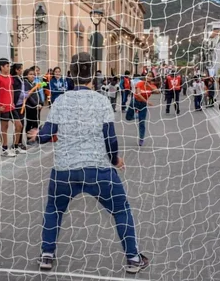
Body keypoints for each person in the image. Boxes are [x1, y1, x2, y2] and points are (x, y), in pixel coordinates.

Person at [27, 52, 150, 273]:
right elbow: (110, 139)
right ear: (93, 74)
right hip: (97, 169)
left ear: (71, 74)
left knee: (54, 209)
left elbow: (47, 135)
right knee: (121, 210)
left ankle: (47, 255)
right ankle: (133, 259)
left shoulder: (61, 100)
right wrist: (115, 160)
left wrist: (36, 134)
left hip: (65, 169)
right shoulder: (102, 101)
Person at [0, 58, 23, 157]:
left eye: (9, 66)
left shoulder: (10, 77)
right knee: (5, 127)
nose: (9, 68)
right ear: (2, 67)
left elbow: (11, 89)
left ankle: (15, 146)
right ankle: (4, 149)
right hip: (3, 107)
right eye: (7, 66)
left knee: (19, 125)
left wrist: (12, 102)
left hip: (11, 107)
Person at [125, 71, 160, 146]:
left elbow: (157, 92)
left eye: (150, 76)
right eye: (148, 75)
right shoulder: (140, 83)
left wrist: (149, 86)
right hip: (135, 102)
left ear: (152, 78)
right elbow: (138, 94)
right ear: (145, 76)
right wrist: (147, 102)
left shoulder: (152, 86)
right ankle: (137, 116)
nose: (149, 77)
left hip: (143, 105)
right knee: (128, 118)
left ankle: (141, 139)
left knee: (142, 122)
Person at [11, 63, 28, 153]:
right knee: (18, 125)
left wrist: (26, 94)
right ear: (16, 70)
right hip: (16, 105)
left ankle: (19, 142)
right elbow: (15, 92)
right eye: (20, 69)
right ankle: (15, 144)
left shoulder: (20, 78)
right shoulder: (13, 79)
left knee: (21, 124)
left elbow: (22, 91)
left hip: (22, 104)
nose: (22, 70)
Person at [23, 68, 43, 146]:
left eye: (33, 74)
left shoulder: (34, 83)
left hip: (37, 107)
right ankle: (29, 139)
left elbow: (38, 95)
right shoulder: (26, 84)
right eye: (30, 74)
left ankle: (34, 138)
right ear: (26, 75)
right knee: (29, 123)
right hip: (30, 107)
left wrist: (41, 103)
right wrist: (35, 104)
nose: (33, 76)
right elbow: (29, 97)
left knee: (36, 123)